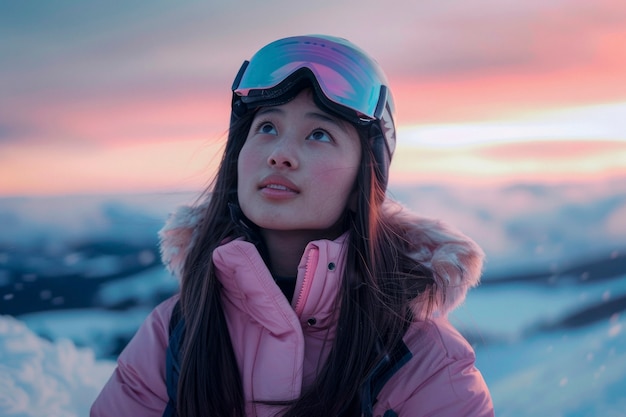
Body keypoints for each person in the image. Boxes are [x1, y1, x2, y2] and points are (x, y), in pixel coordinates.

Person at [91, 34, 494, 417]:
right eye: (267, 127)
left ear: (364, 178)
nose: (281, 154)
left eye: (319, 134)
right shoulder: (176, 331)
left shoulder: (424, 359)